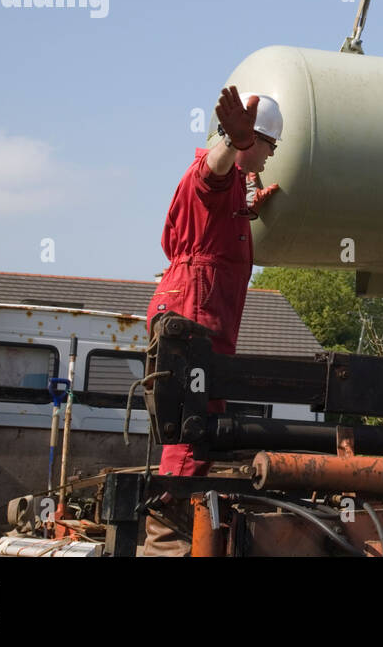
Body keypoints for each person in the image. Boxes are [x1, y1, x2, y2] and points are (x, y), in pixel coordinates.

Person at [140, 85, 281, 556]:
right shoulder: (216, 172)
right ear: (251, 139)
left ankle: (181, 536)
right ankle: (167, 544)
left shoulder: (232, 196)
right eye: (269, 146)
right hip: (193, 314)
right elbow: (212, 173)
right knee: (192, 426)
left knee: (202, 420)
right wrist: (232, 142)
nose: (269, 157)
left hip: (197, 312)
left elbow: (217, 208)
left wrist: (251, 208)